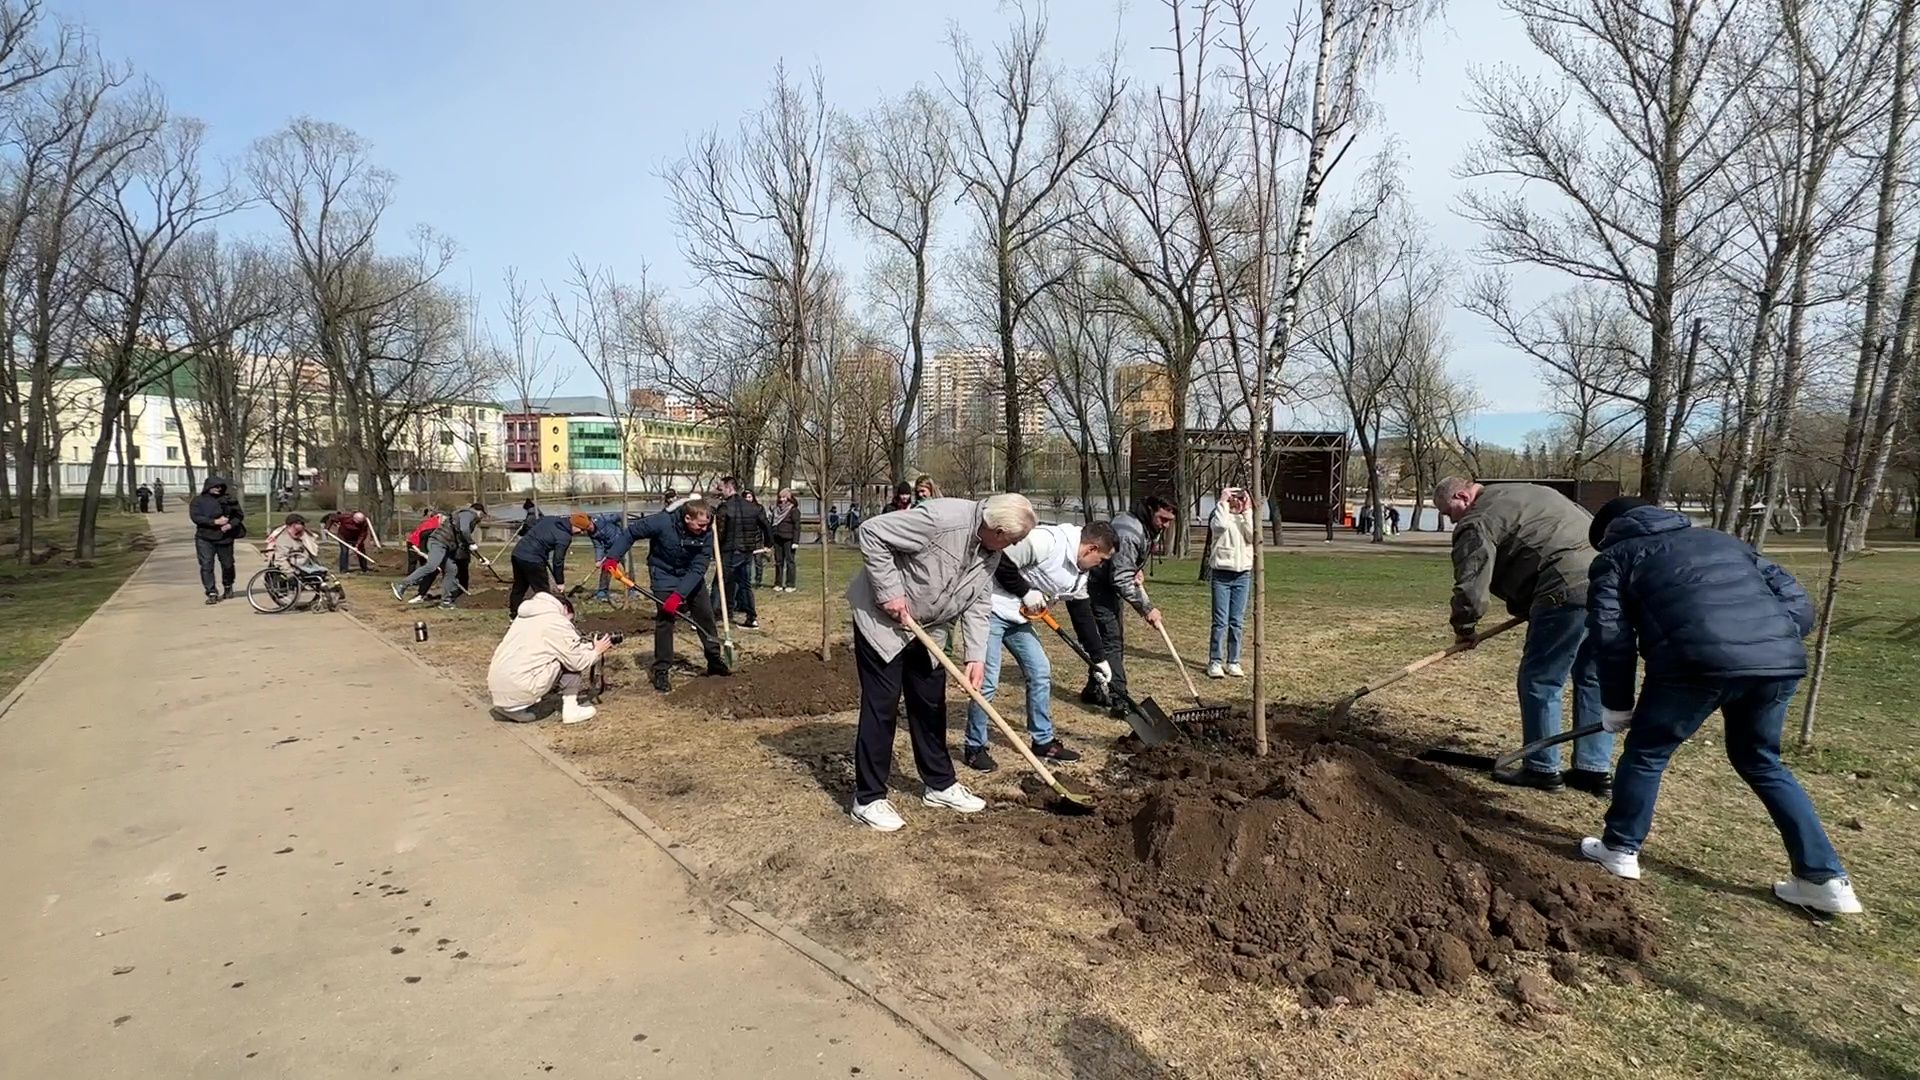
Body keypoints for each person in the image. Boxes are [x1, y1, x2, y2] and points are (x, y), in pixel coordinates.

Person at [1574, 498, 1861, 914]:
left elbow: (1610, 632)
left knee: (1647, 754)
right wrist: (1762, 642)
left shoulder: (1616, 557)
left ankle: (1619, 849)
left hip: (1692, 664)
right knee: (1762, 761)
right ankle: (1824, 879)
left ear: (1609, 533)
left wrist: (1616, 705)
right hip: (1776, 664)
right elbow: (1797, 602)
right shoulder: (1724, 541)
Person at [845, 492, 1036, 832]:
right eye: (1012, 539)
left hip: (928, 629)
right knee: (882, 705)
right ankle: (868, 799)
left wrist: (975, 655)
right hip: (883, 621)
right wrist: (889, 591)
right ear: (997, 529)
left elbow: (978, 602)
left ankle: (940, 784)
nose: (1012, 547)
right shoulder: (940, 520)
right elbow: (872, 532)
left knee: (930, 704)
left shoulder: (991, 550)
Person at [1436, 477, 1611, 794]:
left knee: (1541, 680)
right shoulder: (1529, 490)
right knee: (1593, 678)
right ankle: (1593, 768)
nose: (1451, 521)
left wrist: (1465, 628)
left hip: (1564, 587)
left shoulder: (1477, 520)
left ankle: (1542, 768)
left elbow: (1471, 584)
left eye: (1449, 512)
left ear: (1462, 495)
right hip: (1609, 584)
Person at [963, 519, 1118, 771]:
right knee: (987, 681)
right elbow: (999, 556)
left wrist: (1098, 658)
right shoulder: (1047, 541)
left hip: (1019, 619)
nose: (1100, 566)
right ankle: (974, 746)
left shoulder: (1080, 574)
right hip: (989, 610)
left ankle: (1043, 741)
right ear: (1091, 548)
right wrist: (1025, 591)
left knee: (1040, 671)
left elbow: (1081, 613)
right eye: (1101, 559)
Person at [601, 498, 729, 692]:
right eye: (700, 525)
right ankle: (661, 669)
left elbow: (698, 567)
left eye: (707, 524)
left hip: (690, 575)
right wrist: (613, 557)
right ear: (687, 518)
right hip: (663, 573)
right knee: (665, 619)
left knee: (705, 615)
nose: (704, 529)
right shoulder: (662, 522)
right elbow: (631, 532)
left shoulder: (707, 531)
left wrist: (678, 595)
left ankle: (714, 660)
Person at [1069, 495, 1174, 711]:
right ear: (1150, 510)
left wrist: (1134, 567)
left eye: (1170, 521)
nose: (1166, 525)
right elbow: (1120, 579)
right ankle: (1119, 698)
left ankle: (1094, 690)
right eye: (1162, 519)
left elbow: (1122, 566)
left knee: (1110, 640)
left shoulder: (1140, 524)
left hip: (1107, 586)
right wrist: (1147, 608)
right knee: (1112, 641)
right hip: (1097, 587)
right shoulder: (1129, 532)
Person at [485, 590, 613, 725]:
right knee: (567, 659)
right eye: (570, 620)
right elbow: (577, 661)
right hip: (521, 686)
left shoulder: (525, 616)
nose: (571, 625)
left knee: (556, 653)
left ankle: (509, 708)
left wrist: (588, 646)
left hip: (497, 687)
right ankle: (571, 710)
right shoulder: (556, 622)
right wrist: (597, 651)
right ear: (565, 609)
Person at [393, 502, 482, 609]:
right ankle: (402, 585)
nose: (481, 518)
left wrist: (480, 558)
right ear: (479, 511)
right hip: (438, 542)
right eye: (482, 515)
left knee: (451, 569)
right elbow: (464, 530)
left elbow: (463, 542)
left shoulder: (467, 517)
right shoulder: (469, 514)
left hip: (446, 545)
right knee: (432, 566)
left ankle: (446, 601)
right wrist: (471, 542)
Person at [1206, 486, 1255, 678]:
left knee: (1237, 621)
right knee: (1220, 621)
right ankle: (1215, 661)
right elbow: (1219, 527)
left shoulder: (1245, 519)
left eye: (1240, 498)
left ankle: (1233, 661)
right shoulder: (1219, 516)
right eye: (1233, 498)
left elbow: (1253, 536)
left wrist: (1248, 510)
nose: (1236, 502)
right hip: (1221, 575)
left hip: (1242, 575)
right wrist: (1222, 502)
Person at [509, 512, 592, 617]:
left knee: (519, 586)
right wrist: (560, 582)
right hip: (533, 559)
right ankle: (547, 616)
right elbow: (558, 561)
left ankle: (514, 614)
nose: (581, 532)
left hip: (518, 553)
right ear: (575, 525)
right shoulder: (564, 537)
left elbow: (533, 525)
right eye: (581, 529)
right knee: (543, 593)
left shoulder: (551, 519)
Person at [714, 476, 767, 629]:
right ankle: (751, 617)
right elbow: (766, 525)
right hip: (747, 551)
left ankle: (709, 617)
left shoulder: (725, 507)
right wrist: (768, 542)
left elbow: (720, 531)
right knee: (744, 584)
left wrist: (715, 548)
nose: (720, 491)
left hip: (730, 550)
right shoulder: (753, 507)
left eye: (721, 488)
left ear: (729, 487)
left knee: (719, 582)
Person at [188, 476, 246, 604]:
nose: (218, 489)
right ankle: (211, 592)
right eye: (215, 486)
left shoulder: (229, 499)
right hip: (204, 537)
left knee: (228, 564)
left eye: (220, 487)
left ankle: (228, 585)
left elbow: (239, 515)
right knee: (206, 564)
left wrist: (230, 525)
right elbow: (196, 517)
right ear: (208, 487)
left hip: (225, 537)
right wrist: (214, 522)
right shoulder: (198, 501)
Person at [589, 510, 631, 601]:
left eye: (589, 526)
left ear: (591, 521)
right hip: (609, 549)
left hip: (623, 544)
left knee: (628, 568)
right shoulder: (591, 533)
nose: (589, 528)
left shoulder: (604, 519)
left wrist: (624, 532)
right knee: (606, 568)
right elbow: (598, 546)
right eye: (586, 528)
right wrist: (598, 559)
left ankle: (631, 589)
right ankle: (603, 591)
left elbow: (620, 516)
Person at [402, 509, 442, 603]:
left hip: (420, 543)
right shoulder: (432, 527)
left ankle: (420, 590)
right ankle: (411, 583)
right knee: (421, 565)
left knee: (430, 568)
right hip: (414, 543)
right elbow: (423, 539)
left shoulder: (435, 524)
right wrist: (425, 554)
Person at [769, 488, 801, 593]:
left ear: (789, 498)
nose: (782, 499)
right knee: (778, 562)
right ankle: (778, 583)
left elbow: (797, 527)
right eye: (780, 497)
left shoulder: (794, 510)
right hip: (777, 538)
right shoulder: (776, 510)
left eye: (784, 497)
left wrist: (795, 542)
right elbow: (772, 523)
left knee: (790, 561)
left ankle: (790, 584)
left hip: (789, 539)